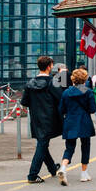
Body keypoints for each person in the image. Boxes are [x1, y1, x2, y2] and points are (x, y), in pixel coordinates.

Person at [20, 55, 66, 183]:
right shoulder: (53, 82)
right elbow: (61, 98)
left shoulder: (30, 83)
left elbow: (25, 102)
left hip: (36, 118)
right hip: (50, 118)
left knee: (42, 143)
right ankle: (32, 175)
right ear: (49, 67)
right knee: (42, 144)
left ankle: (52, 168)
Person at [58, 67, 96, 184]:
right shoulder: (88, 92)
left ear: (73, 79)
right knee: (85, 146)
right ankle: (84, 173)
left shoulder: (66, 92)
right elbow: (92, 109)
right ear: (84, 79)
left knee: (69, 147)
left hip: (70, 122)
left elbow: (61, 109)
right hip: (84, 122)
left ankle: (63, 167)